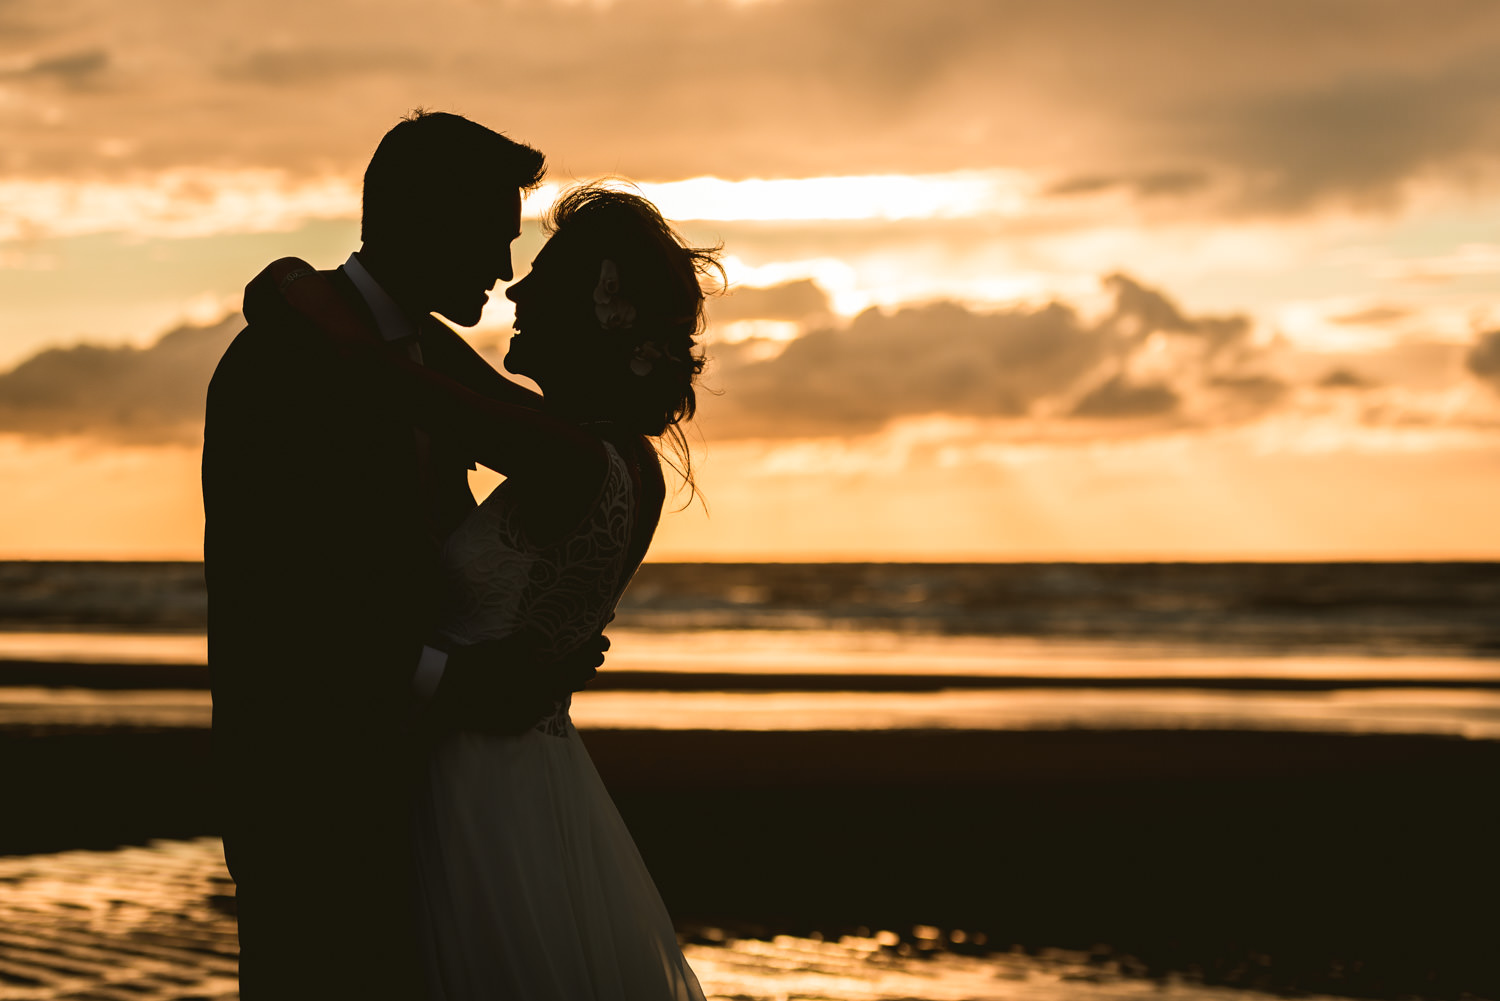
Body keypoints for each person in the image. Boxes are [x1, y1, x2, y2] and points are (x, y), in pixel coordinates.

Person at [252, 181, 718, 999]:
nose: (516, 288)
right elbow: (430, 356)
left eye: (544, 277)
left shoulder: (569, 457)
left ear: (594, 317)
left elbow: (385, 372)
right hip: (520, 767)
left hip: (476, 779)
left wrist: (294, 283)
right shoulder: (603, 453)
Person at [202, 111, 605, 999]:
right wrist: (454, 681)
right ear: (429, 223)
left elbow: (528, 443)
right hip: (308, 790)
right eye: (493, 242)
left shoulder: (417, 352)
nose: (503, 275)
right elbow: (281, 603)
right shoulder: (282, 363)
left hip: (415, 785)